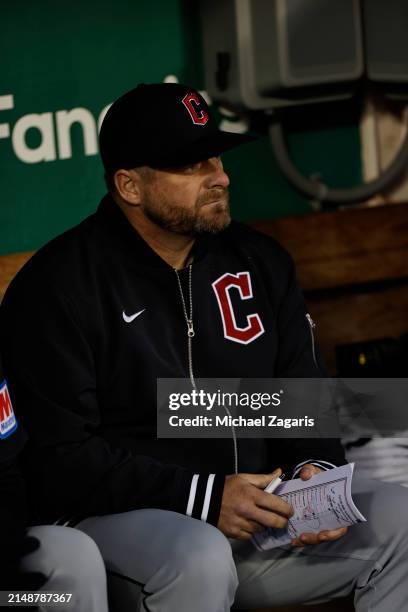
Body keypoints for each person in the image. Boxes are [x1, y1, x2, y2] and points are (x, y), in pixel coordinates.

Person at [1, 82, 407, 612]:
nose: (219, 177)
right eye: (191, 165)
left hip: (249, 515)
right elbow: (60, 461)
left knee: (397, 519)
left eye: (215, 156)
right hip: (122, 528)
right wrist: (204, 495)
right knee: (199, 556)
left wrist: (316, 473)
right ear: (130, 186)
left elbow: (298, 398)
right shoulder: (60, 286)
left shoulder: (259, 260)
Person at [0, 352, 109, 612]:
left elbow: (6, 474)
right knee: (199, 559)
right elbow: (67, 455)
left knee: (69, 561)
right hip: (77, 502)